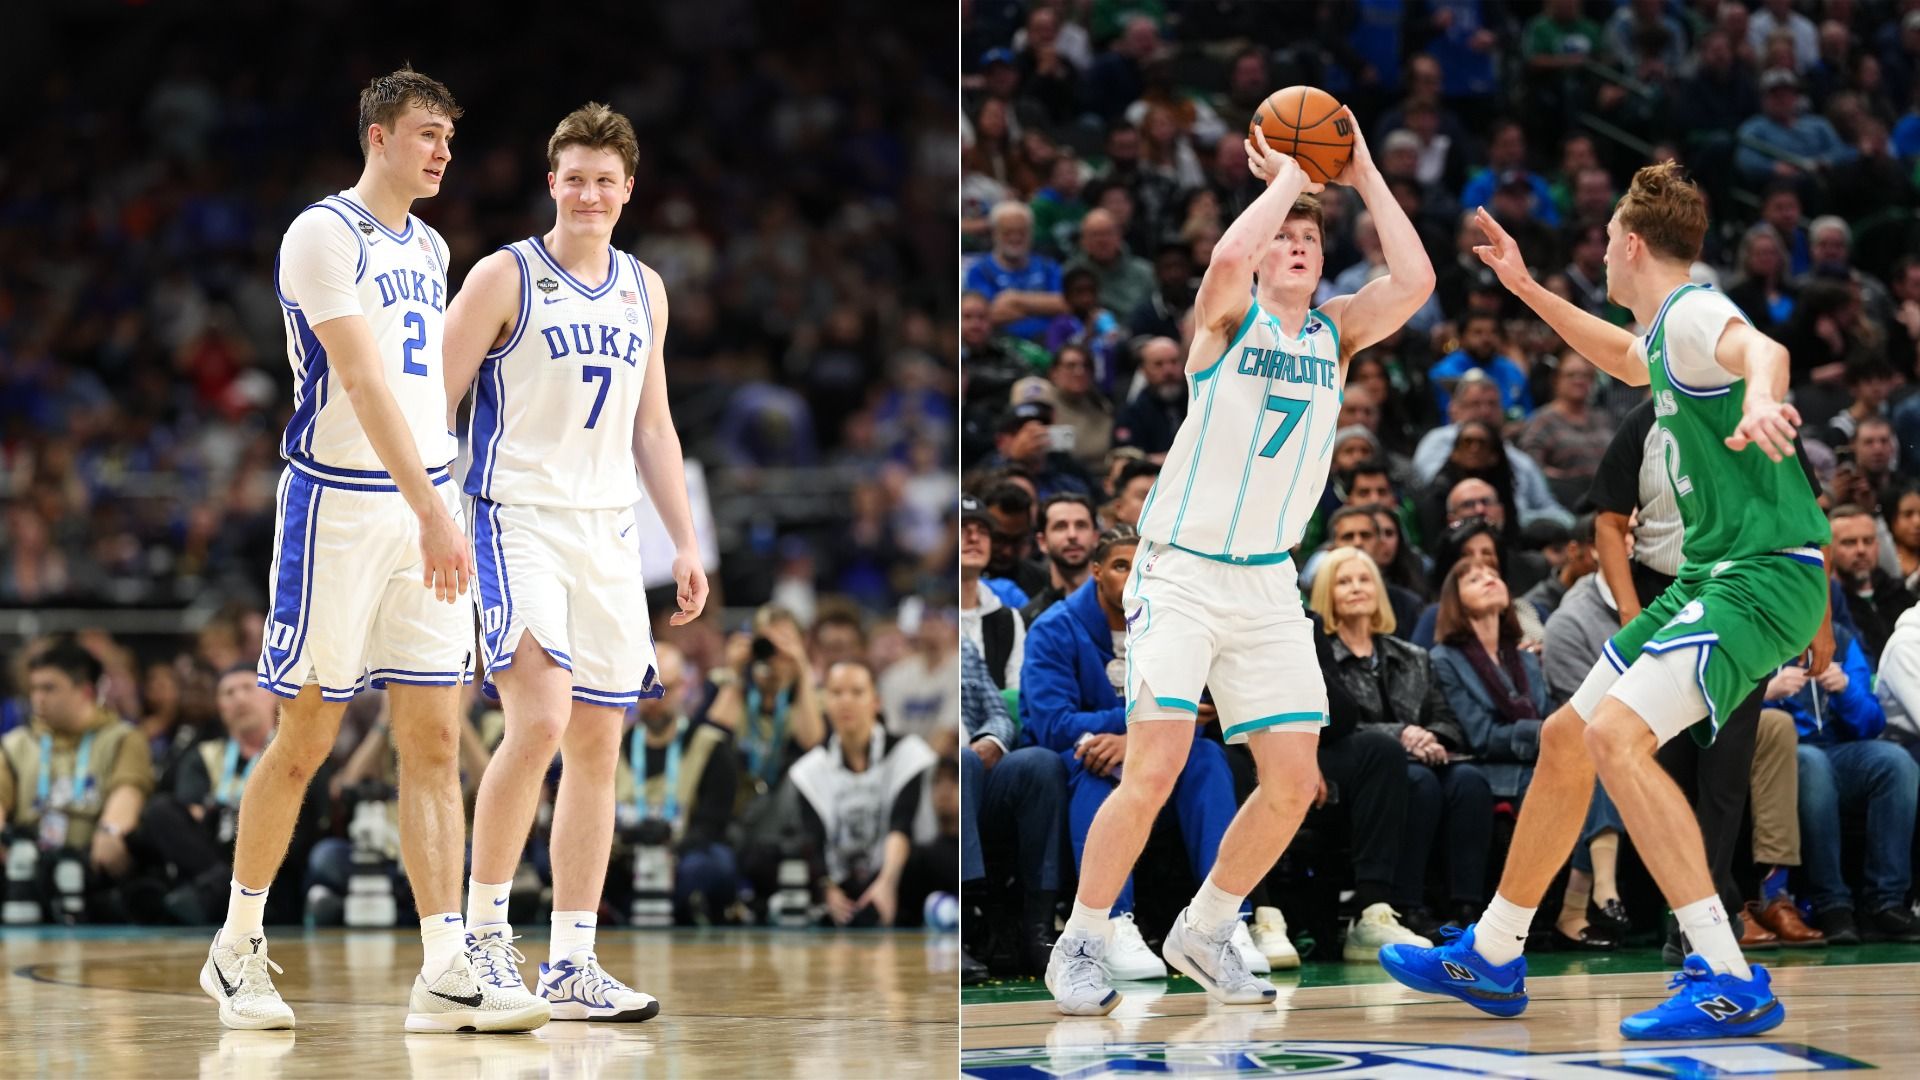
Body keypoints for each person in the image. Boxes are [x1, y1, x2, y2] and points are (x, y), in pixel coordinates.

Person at [1381, 163, 1832, 1040]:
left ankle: (1725, 972)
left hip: (1761, 571)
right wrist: (1525, 288)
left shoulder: (1698, 312)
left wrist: (1770, 395)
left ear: (1628, 243)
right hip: (1716, 574)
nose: (1601, 260)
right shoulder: (1663, 336)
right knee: (1566, 738)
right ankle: (1496, 949)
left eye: (1604, 247)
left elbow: (1761, 351)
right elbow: (1620, 356)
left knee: (1616, 738)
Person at [1047, 108, 1436, 1015]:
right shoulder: (1225, 322)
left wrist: (1365, 170)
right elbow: (1223, 263)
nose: (1298, 246)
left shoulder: (1335, 332)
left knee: (1296, 780)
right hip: (1181, 569)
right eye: (1285, 238)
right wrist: (1291, 180)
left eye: (1311, 239)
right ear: (1265, 251)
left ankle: (1209, 923)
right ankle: (1080, 939)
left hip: (1266, 579)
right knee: (1155, 766)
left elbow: (1413, 279)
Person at [197, 69, 544, 1034]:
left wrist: (450, 499)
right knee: (306, 739)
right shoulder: (321, 234)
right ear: (379, 136)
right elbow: (358, 379)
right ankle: (236, 948)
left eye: (450, 137)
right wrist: (433, 509)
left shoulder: (430, 246)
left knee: (434, 739)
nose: (443, 151)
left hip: (424, 507)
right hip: (340, 510)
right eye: (428, 133)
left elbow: (426, 388)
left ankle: (443, 967)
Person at [442, 103, 705, 1024]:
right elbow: (435, 397)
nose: (590, 192)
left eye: (607, 179)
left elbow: (654, 424)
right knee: (543, 718)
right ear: (551, 182)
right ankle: (478, 942)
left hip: (607, 532)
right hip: (513, 517)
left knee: (600, 741)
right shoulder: (503, 274)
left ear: (630, 190)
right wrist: (428, 516)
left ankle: (572, 964)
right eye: (575, 177)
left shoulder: (645, 288)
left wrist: (683, 540)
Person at [1021, 527, 1245, 982]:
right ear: (1097, 571)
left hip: (1152, 754)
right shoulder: (1055, 626)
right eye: (1122, 565)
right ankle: (1111, 922)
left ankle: (1224, 921)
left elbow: (1202, 708)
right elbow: (1052, 724)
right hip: (1073, 760)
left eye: (1145, 565)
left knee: (1206, 758)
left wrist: (1136, 738)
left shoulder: (1175, 623)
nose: (1134, 575)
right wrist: (1132, 733)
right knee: (1101, 767)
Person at [1311, 549, 1491, 938]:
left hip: (1427, 755)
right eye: (1344, 581)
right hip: (1374, 768)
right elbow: (1340, 727)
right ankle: (1406, 905)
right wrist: (1403, 734)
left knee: (1470, 782)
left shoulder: (1413, 655)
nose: (1357, 588)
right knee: (1418, 783)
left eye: (1364, 579)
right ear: (1327, 594)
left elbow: (1446, 719)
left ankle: (1468, 907)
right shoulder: (1323, 655)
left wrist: (1434, 736)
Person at [1767, 625, 1920, 943]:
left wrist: (1846, 688)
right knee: (1813, 763)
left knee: (1895, 762)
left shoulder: (1841, 639)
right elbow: (1728, 706)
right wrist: (1769, 692)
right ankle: (1831, 903)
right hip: (1782, 753)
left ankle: (1886, 901)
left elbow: (1871, 722)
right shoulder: (1757, 634)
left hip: (1840, 749)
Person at [0, 641, 154, 921]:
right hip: (25, 861)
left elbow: (127, 794)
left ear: (84, 691)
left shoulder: (122, 738)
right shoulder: (16, 744)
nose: (38, 698)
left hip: (91, 863)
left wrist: (110, 830)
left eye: (49, 688)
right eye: (33, 688)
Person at [789, 662, 944, 928]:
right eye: (836, 693)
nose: (845, 701)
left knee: (937, 856)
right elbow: (812, 839)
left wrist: (886, 883)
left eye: (857, 692)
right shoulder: (809, 769)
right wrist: (827, 889)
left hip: (897, 873)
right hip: (842, 878)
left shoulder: (907, 753)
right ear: (824, 701)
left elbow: (902, 824)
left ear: (876, 702)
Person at [960, 639, 1066, 980]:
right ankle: (958, 930)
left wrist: (992, 739)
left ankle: (1039, 929)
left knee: (1040, 762)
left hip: (978, 772)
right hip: (939, 783)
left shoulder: (963, 647)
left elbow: (998, 713)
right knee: (959, 761)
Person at [1830, 504, 1916, 662]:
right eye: (1849, 543)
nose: (1861, 550)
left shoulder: (1902, 596)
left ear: (1877, 545)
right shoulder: (1828, 607)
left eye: (1868, 541)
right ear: (1829, 549)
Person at [959, 497, 1025, 690]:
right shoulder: (934, 617)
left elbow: (1015, 691)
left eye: (982, 531)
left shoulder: (1008, 620)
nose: (974, 538)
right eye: (964, 529)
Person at [1022, 494, 1098, 624]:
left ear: (1096, 537)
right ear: (1042, 542)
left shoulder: (1121, 605)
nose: (1072, 535)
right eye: (1060, 526)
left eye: (1081, 525)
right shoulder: (1028, 619)